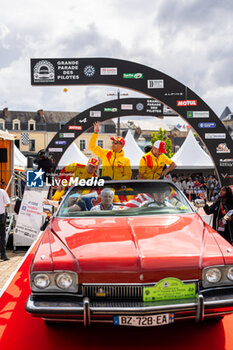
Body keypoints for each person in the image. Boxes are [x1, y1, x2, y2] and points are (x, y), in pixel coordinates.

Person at [0, 188, 10, 261]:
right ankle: (3, 255)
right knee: (2, 236)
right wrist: (4, 206)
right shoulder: (3, 192)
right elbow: (8, 204)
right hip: (1, 216)